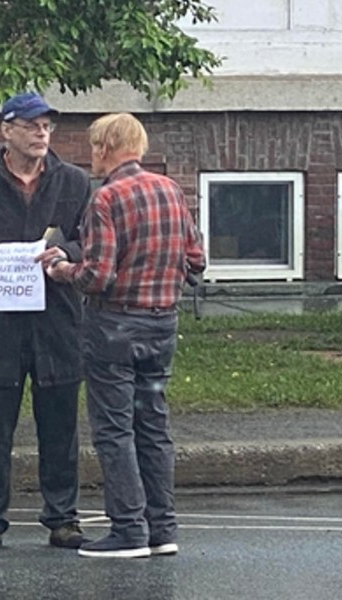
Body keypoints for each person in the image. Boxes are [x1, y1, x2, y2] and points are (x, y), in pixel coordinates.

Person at [46, 113, 206, 558]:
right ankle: (163, 528)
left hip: (114, 327)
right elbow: (197, 258)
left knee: (115, 430)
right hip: (163, 324)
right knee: (153, 426)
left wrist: (62, 271)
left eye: (95, 146)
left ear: (106, 148)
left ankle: (128, 530)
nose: (91, 156)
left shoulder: (105, 199)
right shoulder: (171, 190)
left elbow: (97, 275)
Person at [0, 92, 91, 552]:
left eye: (47, 126)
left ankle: (63, 518)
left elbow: (93, 244)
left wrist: (69, 252)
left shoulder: (74, 183)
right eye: (31, 126)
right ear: (6, 130)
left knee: (60, 427)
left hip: (57, 321)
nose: (41, 134)